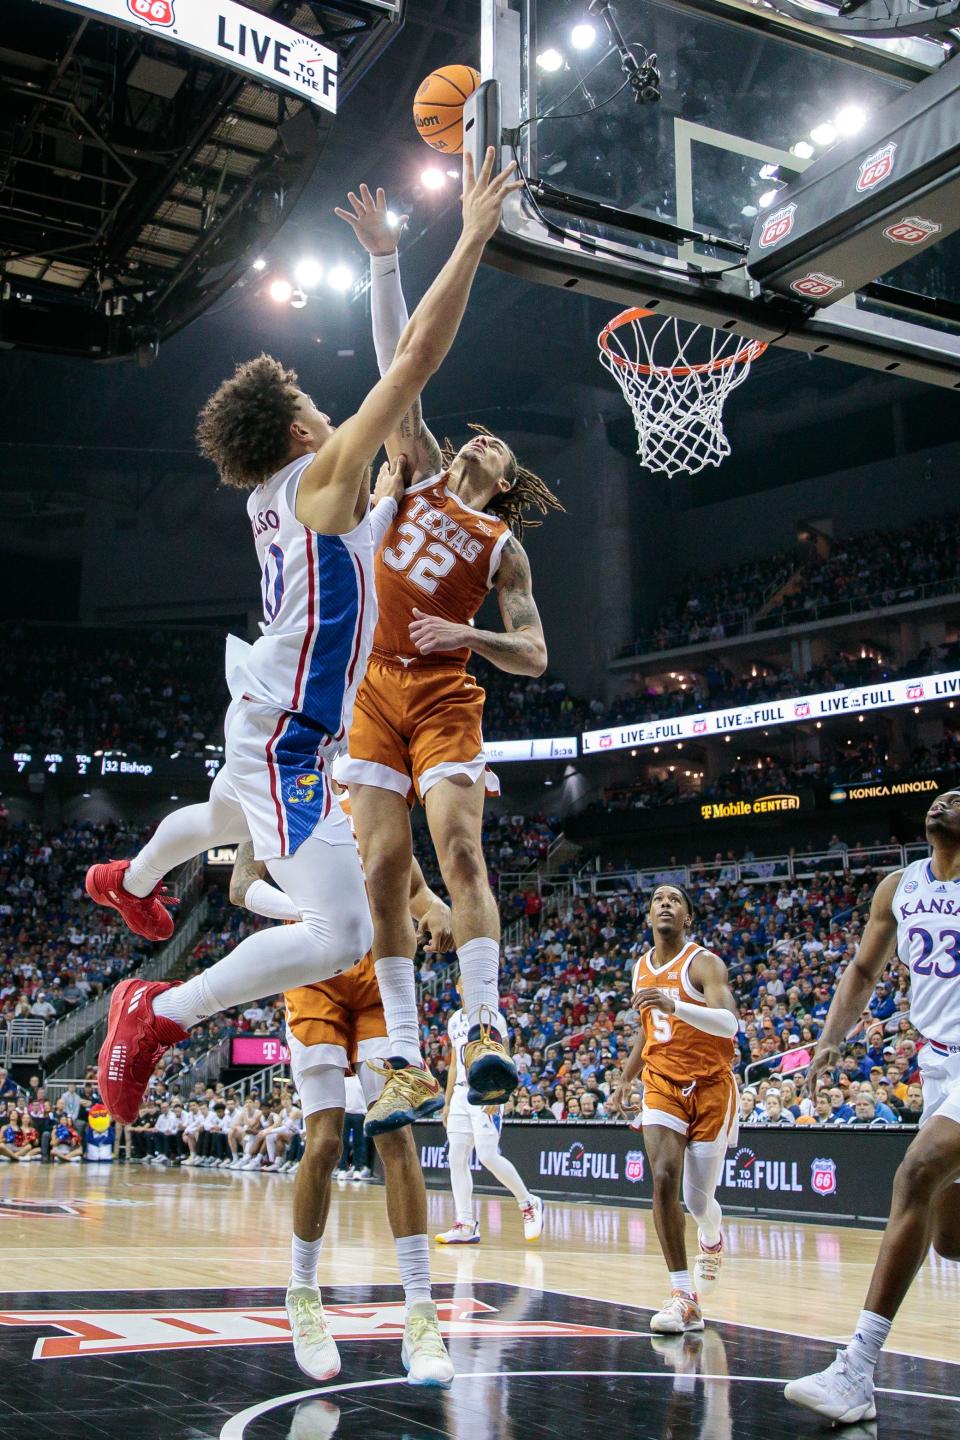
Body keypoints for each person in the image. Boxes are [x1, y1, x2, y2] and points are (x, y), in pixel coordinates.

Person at [84, 148, 523, 1126]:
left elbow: (396, 391)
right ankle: (158, 1010)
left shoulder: (304, 501)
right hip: (290, 732)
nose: (335, 417)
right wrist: (473, 235)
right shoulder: (319, 487)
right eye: (316, 413)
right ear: (294, 433)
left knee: (225, 822)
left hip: (279, 720)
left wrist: (380, 263)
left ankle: (130, 877)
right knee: (342, 930)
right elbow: (409, 366)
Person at [333, 183, 563, 1134]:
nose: (488, 440)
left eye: (502, 448)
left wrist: (469, 636)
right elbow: (403, 364)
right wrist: (385, 260)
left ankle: (483, 1025)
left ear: (505, 483)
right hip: (369, 687)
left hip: (442, 696)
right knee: (384, 873)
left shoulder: (504, 547)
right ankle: (405, 1060)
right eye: (487, 434)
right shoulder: (418, 469)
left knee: (458, 849)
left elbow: (537, 656)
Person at [229, 819, 457, 1386]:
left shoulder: (369, 796)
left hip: (380, 973)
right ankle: (303, 1295)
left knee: (394, 1133)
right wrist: (311, 909)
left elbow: (416, 889)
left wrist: (436, 910)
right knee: (325, 1142)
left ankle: (421, 1314)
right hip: (314, 972)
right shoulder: (277, 789)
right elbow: (240, 883)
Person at [786, 789, 960, 1423]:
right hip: (938, 1063)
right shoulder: (899, 886)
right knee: (949, 1242)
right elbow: (863, 968)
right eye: (940, 794)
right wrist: (830, 1040)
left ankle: (856, 1371)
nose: (944, 798)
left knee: (914, 1173)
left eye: (958, 796)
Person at [610, 884, 739, 1334]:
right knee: (663, 1176)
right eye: (657, 900)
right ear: (648, 917)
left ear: (687, 918)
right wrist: (627, 1076)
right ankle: (684, 1296)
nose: (665, 903)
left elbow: (729, 1024)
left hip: (710, 1084)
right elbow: (649, 1030)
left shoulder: (705, 963)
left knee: (698, 1199)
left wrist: (676, 1004)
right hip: (661, 1081)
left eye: (675, 900)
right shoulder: (639, 968)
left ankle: (711, 1235)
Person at [435, 977, 543, 1245]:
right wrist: (447, 1102)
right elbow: (452, 1065)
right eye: (462, 983)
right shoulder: (453, 1020)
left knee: (487, 1155)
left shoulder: (491, 1016)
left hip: (486, 1090)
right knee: (456, 1157)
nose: (466, 987)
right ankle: (465, 1223)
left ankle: (528, 1203)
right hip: (460, 1092)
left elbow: (504, 1058)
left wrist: (499, 1092)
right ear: (458, 988)